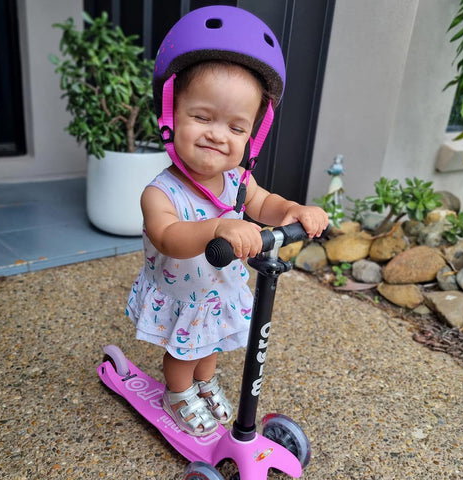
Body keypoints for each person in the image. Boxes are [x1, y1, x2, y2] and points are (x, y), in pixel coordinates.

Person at [126, 6, 328, 437]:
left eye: (237, 128)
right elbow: (169, 237)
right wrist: (217, 227)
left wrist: (292, 210)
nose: (218, 134)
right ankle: (178, 392)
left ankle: (204, 383)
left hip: (219, 291)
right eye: (202, 117)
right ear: (171, 114)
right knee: (183, 351)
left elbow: (264, 201)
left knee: (211, 346)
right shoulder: (161, 192)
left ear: (253, 135)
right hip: (182, 293)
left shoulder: (238, 179)